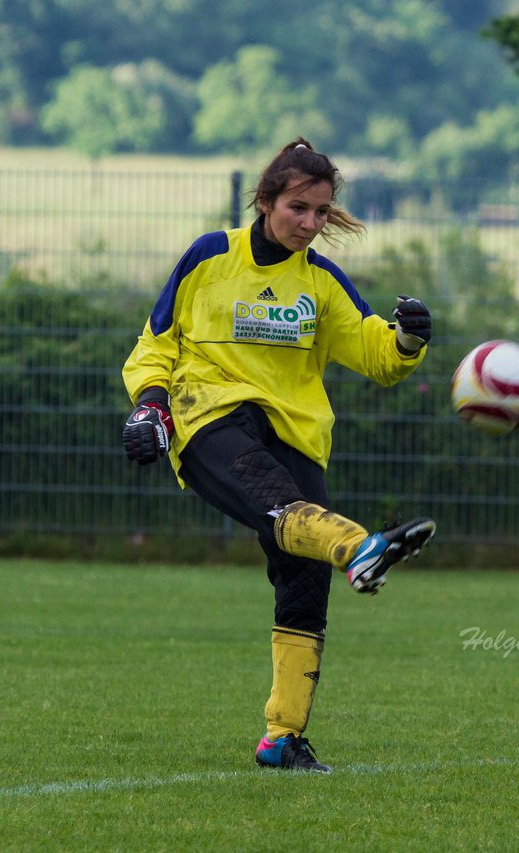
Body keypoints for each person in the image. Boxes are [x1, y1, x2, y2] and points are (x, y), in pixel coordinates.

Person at [120, 137, 436, 774]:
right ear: (264, 202)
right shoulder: (211, 255)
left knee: (303, 579)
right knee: (276, 504)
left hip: (295, 434)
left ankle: (283, 739)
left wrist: (407, 339)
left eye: (322, 212)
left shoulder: (319, 281)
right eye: (299, 208)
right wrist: (151, 406)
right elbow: (156, 343)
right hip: (210, 415)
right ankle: (361, 548)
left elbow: (376, 354)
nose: (311, 224)